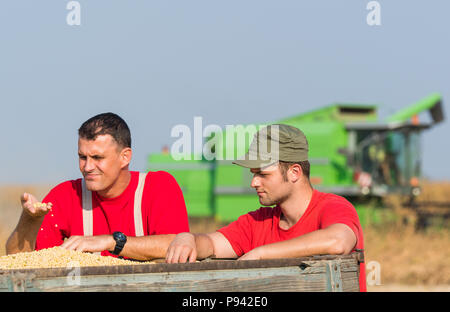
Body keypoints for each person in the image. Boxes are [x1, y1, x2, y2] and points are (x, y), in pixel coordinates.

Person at [165, 124, 366, 291]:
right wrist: (188, 238)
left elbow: (338, 241)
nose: (254, 182)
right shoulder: (257, 221)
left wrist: (261, 254)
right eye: (253, 174)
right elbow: (211, 243)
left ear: (294, 172)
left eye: (263, 174)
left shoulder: (333, 207)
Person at [6, 112, 189, 260]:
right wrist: (29, 220)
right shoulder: (65, 195)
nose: (87, 167)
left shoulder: (158, 187)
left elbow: (177, 244)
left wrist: (110, 242)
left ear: (125, 157)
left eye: (97, 158)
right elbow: (17, 261)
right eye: (82, 157)